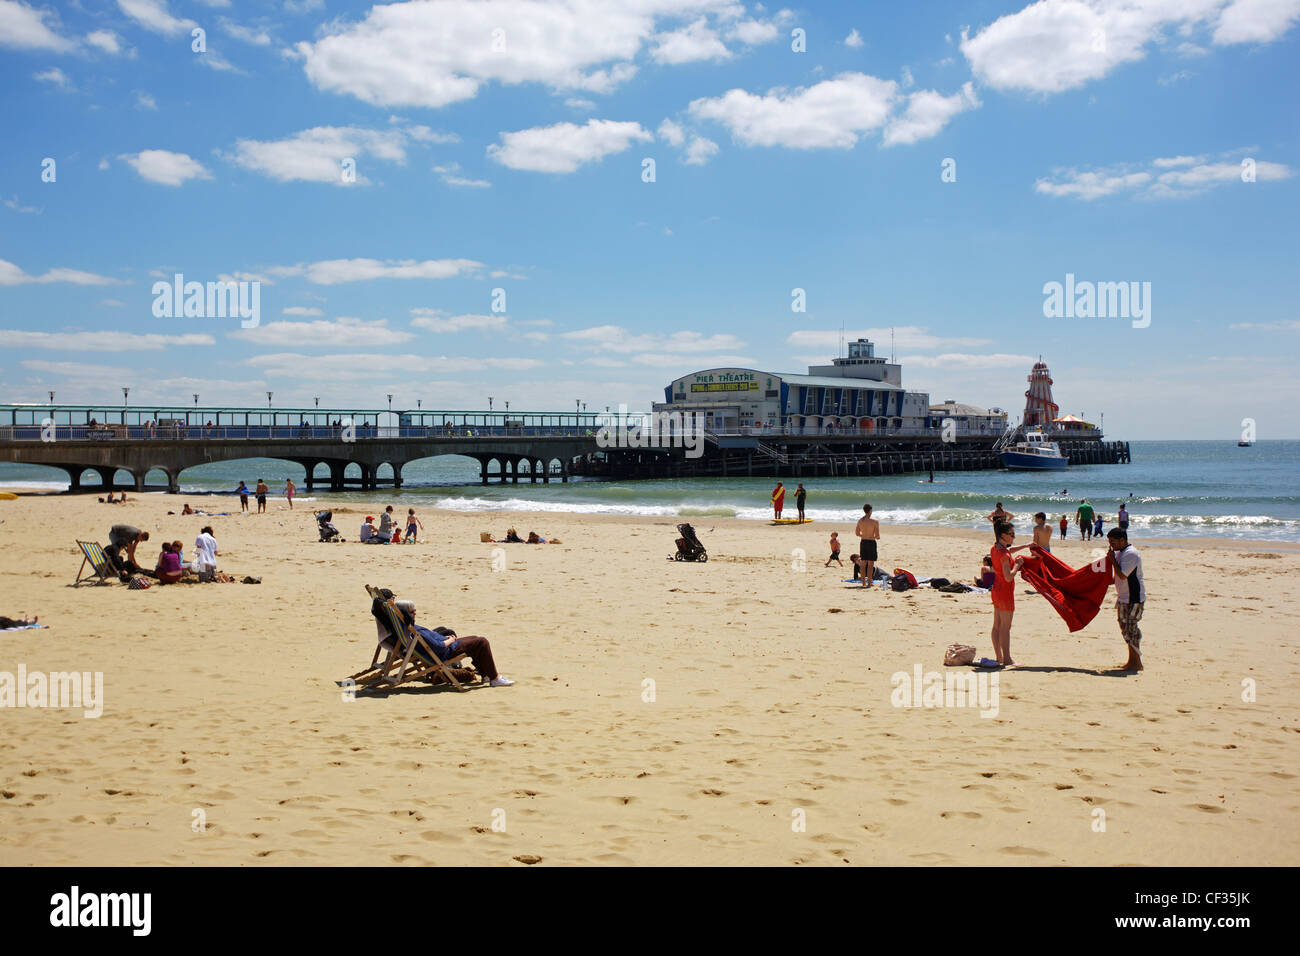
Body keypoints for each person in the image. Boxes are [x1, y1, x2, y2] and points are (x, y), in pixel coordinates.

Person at [394, 600, 514, 686]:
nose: (415, 613)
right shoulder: (414, 631)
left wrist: (444, 637)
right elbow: (438, 647)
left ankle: (485, 675)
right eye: (412, 612)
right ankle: (494, 678)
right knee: (482, 642)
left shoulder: (405, 627)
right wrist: (450, 640)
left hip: (443, 648)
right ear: (405, 613)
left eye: (415, 611)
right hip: (446, 652)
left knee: (475, 639)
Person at [1107, 528, 1145, 671]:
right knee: (1125, 628)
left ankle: (1136, 662)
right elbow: (1117, 577)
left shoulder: (1131, 554)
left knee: (1131, 629)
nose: (1111, 545)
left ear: (1122, 540)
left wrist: (1111, 560)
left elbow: (1122, 574)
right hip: (1124, 596)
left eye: (1113, 542)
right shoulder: (1121, 553)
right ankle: (1132, 661)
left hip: (1133, 597)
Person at [989, 521, 1024, 666]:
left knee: (997, 625)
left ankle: (999, 656)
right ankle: (1007, 659)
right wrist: (1017, 565)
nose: (1014, 537)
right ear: (1003, 535)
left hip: (996, 590)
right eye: (1012, 534)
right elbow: (1008, 576)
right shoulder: (1003, 553)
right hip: (1004, 591)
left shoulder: (995, 547)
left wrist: (1027, 546)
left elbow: (1010, 550)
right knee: (1005, 627)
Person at [854, 504, 880, 589]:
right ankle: (869, 582)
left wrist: (863, 535)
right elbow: (877, 536)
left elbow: (857, 533)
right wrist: (871, 536)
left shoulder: (860, 520)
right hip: (871, 542)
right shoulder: (875, 521)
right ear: (871, 510)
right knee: (870, 564)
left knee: (863, 563)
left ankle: (864, 583)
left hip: (863, 542)